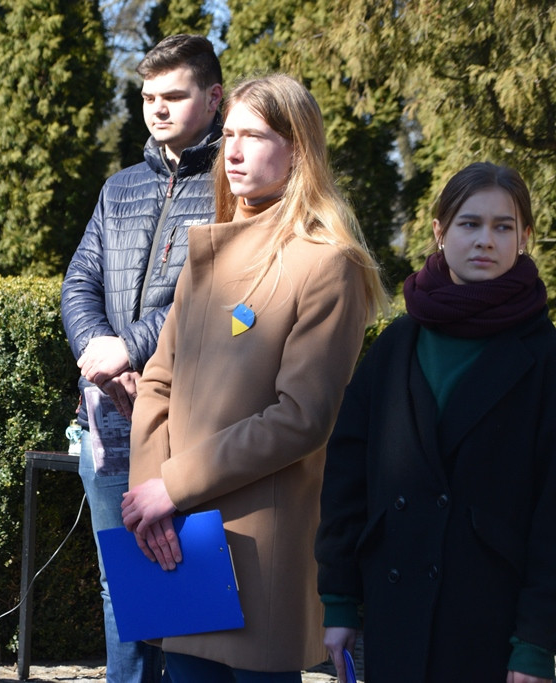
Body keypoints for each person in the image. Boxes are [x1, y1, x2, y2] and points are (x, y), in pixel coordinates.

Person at [120, 73, 388, 682]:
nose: (233, 152)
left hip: (255, 548)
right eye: (229, 135)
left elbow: (302, 418)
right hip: (179, 536)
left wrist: (173, 486)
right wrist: (149, 500)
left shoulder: (327, 264)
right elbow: (156, 382)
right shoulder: (211, 249)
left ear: (299, 148)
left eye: (255, 136)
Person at [316, 162, 556, 683]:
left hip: (492, 629)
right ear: (440, 233)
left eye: (503, 226)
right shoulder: (397, 345)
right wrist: (338, 602)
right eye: (469, 224)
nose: (485, 240)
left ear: (525, 237)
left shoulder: (545, 358)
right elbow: (346, 477)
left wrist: (536, 641)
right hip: (394, 614)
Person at [60, 33, 224, 682]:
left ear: (213, 99)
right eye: (147, 97)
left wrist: (132, 347)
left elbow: (213, 294)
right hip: (108, 416)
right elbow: (79, 283)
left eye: (173, 96)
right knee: (121, 582)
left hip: (192, 419)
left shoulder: (233, 187)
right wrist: (100, 353)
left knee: (187, 578)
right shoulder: (118, 187)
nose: (156, 109)